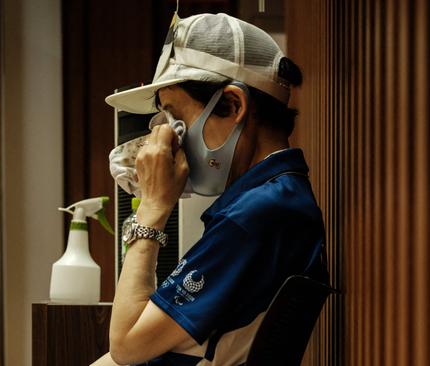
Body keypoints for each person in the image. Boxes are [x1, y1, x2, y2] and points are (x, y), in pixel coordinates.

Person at [93, 12, 329, 366]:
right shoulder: (267, 201)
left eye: (176, 118)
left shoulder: (259, 213)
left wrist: (152, 208)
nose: (169, 137)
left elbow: (126, 347)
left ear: (233, 106)